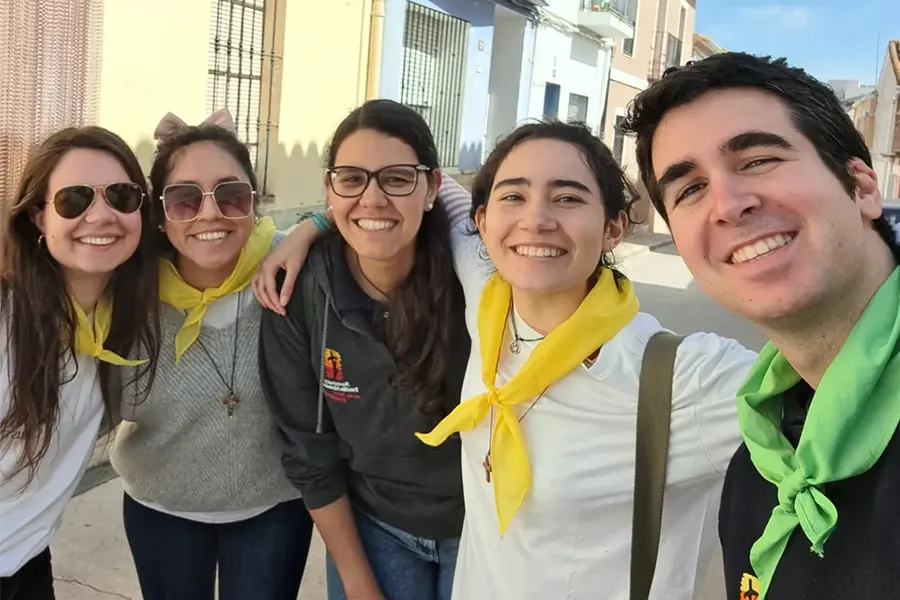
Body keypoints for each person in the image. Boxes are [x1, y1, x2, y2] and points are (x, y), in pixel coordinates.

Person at [256, 119, 758, 599]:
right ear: (482, 223)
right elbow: (425, 192)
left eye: (567, 198)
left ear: (614, 228)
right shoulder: (486, 288)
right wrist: (314, 225)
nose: (535, 220)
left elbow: (826, 400)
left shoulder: (681, 377)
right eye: (513, 196)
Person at [619, 52, 900, 600]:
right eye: (689, 190)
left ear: (863, 187)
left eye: (758, 160)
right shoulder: (758, 467)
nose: (728, 204)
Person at [257, 99, 469, 600]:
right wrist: (357, 580)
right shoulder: (301, 290)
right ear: (329, 188)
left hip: (483, 527)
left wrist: (316, 221)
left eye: (396, 178)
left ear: (432, 186)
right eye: (351, 179)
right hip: (376, 527)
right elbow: (309, 453)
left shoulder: (478, 275)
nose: (372, 198)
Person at [109, 110, 312, 600]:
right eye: (183, 199)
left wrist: (316, 226)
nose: (209, 214)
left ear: (255, 201)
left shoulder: (295, 267)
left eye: (231, 194)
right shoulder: (125, 291)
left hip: (274, 509)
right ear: (159, 212)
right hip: (161, 508)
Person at [1, 127, 160, 599]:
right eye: (74, 200)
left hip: (28, 561)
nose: (101, 215)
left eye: (121, 195)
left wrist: (312, 229)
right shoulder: (9, 318)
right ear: (37, 217)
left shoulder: (123, 317)